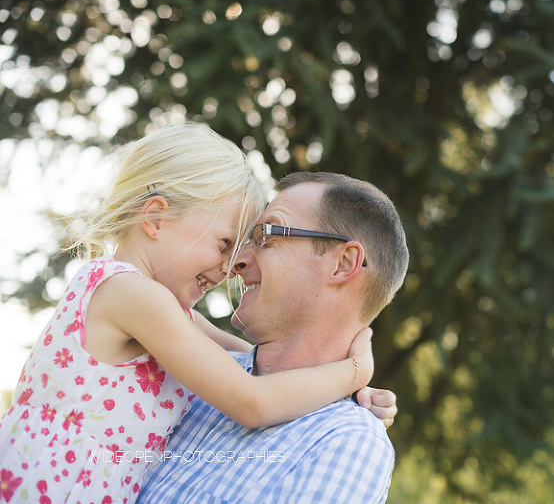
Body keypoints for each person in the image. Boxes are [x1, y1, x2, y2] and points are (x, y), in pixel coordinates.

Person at [0, 125, 385, 504]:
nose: (230, 266)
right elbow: (252, 398)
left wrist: (347, 390)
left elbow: (249, 364)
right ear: (155, 219)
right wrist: (356, 370)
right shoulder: (132, 295)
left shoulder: (162, 309)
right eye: (225, 244)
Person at [138, 171, 409, 503]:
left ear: (342, 264)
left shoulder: (346, 442)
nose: (235, 261)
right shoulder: (185, 375)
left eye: (265, 235)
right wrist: (351, 374)